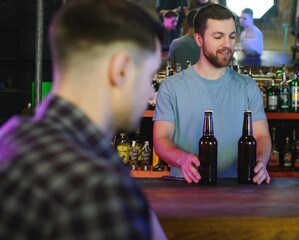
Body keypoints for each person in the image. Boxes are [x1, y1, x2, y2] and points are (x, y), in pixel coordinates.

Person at [0, 0, 167, 239]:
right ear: (121, 69)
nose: (151, 93)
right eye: (149, 76)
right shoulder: (97, 188)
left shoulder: (13, 134)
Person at [153, 4, 271, 184]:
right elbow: (161, 140)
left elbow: (262, 136)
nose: (227, 44)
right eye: (218, 37)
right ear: (199, 40)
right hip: (186, 186)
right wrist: (182, 158)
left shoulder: (247, 86)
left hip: (238, 187)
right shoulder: (172, 87)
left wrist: (260, 163)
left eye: (232, 36)